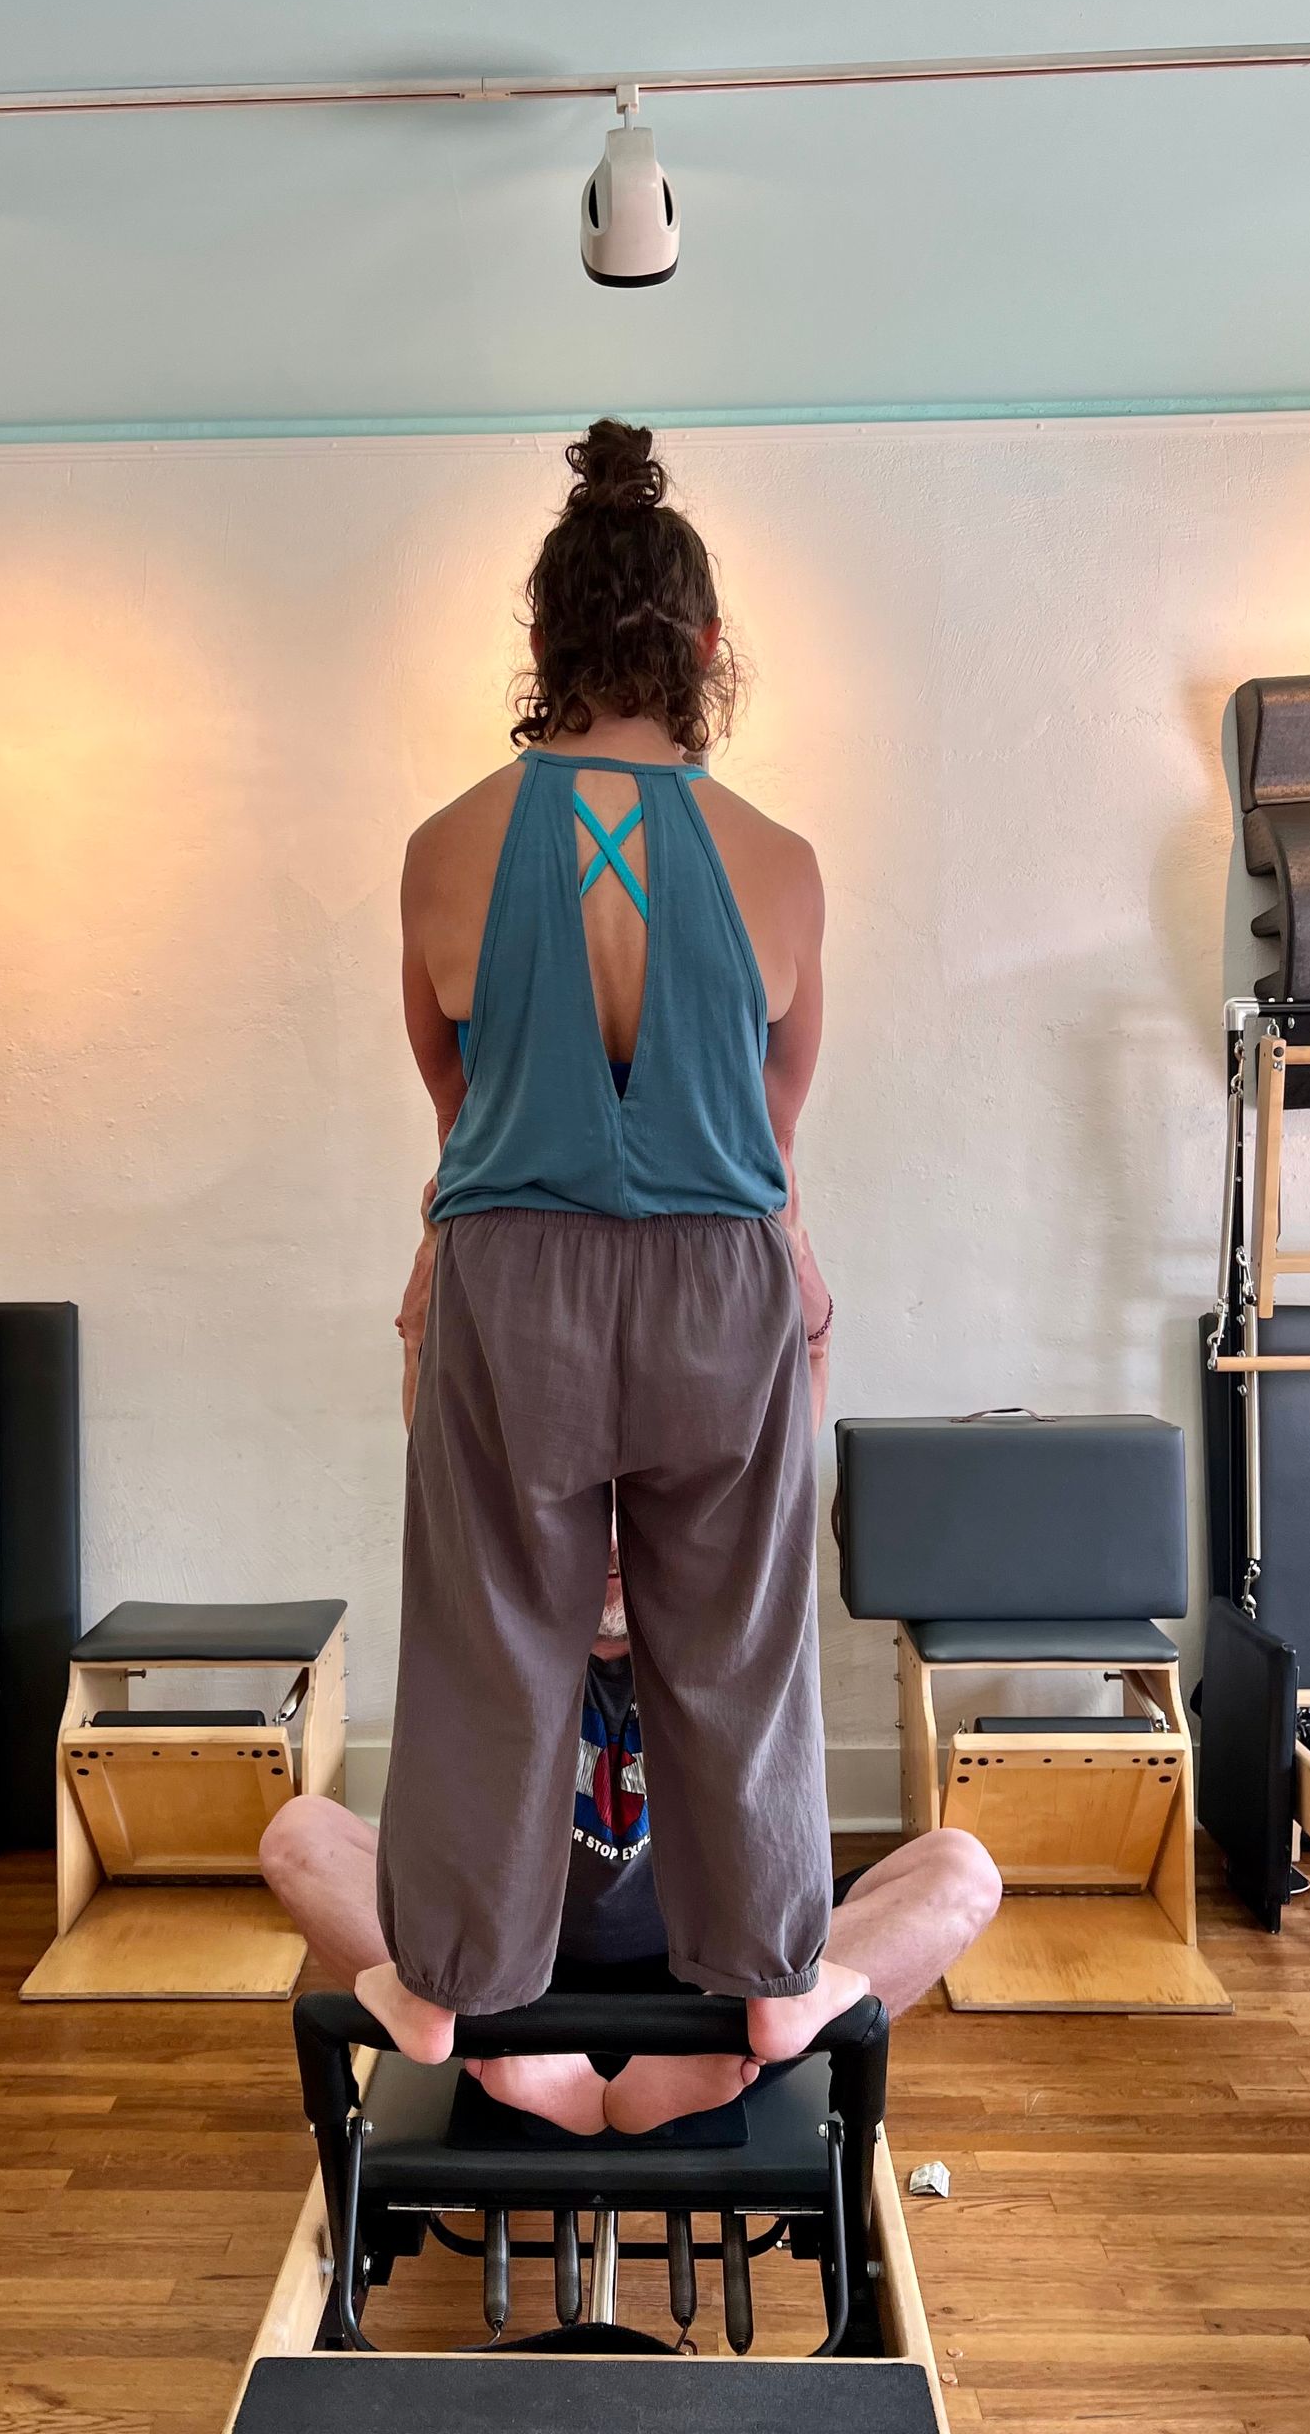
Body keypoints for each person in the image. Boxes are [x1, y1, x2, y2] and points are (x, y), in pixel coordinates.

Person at [362, 418, 862, 2126]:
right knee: (737, 1648)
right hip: (719, 1289)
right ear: (705, 650)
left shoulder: (444, 847)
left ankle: (455, 1984)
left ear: (545, 645)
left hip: (516, 1283)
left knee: (492, 1640)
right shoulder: (782, 862)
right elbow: (776, 1134)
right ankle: (770, 1984)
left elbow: (453, 1103)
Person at [261, 1583, 1003, 2132]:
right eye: (592, 1522)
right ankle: (492, 2041)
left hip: (722, 1979)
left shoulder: (727, 1638)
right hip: (518, 1972)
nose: (612, 1551)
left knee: (962, 1872)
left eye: (633, 1521)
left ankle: (721, 2058)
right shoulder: (499, 1643)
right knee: (297, 1835)